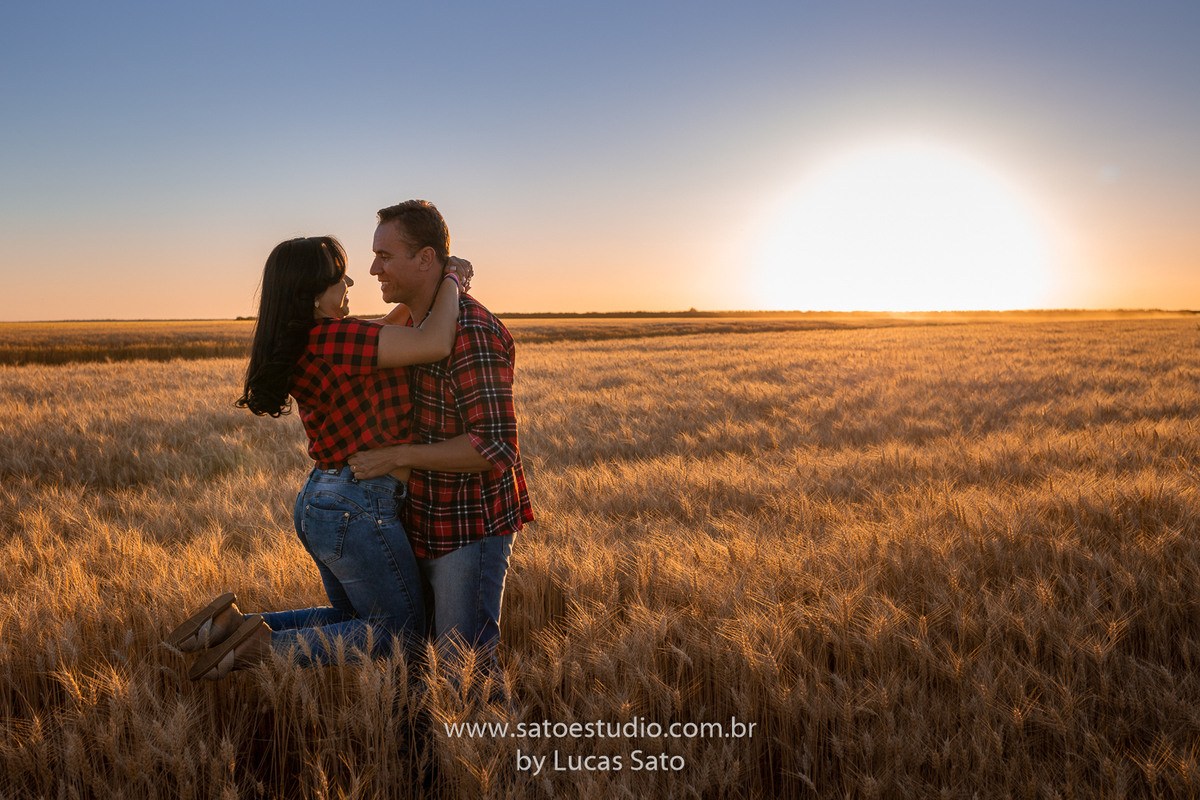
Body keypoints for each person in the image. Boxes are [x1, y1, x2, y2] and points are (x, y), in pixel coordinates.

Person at [166, 235, 469, 680]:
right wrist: (453, 281)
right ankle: (265, 646)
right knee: (401, 634)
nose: (350, 282)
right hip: (358, 505)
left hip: (324, 501)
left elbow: (391, 327)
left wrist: (425, 291)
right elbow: (435, 341)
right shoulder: (334, 339)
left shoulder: (316, 341)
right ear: (311, 294)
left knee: (357, 624)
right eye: (338, 278)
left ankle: (228, 628)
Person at [347, 200, 533, 685]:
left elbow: (494, 448)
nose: (372, 268)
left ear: (426, 259)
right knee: (421, 668)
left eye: (385, 256)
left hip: (470, 527)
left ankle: (499, 761)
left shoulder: (472, 331)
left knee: (464, 674)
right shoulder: (411, 324)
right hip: (422, 521)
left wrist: (399, 456)